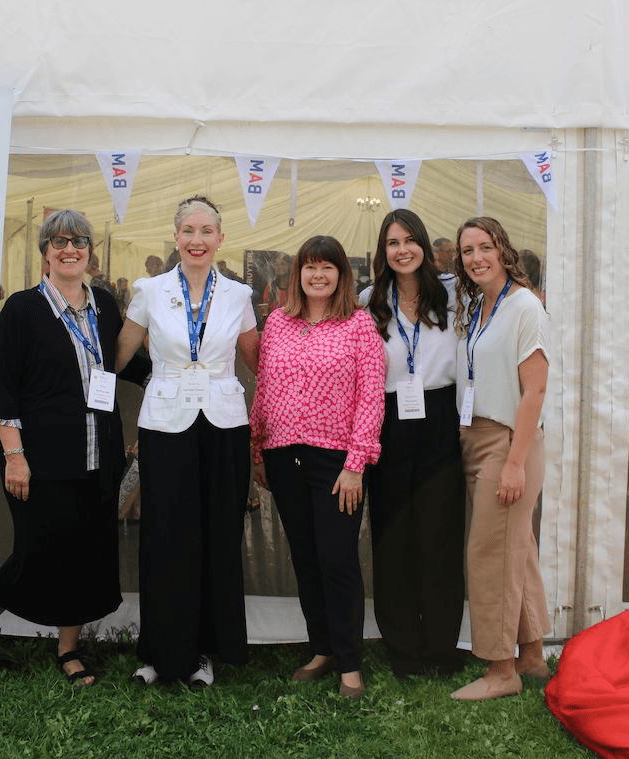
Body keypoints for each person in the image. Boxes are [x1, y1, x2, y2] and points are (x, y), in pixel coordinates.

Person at [0, 208, 146, 686]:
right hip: (40, 462)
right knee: (36, 552)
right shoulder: (22, 310)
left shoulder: (106, 305)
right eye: (59, 242)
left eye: (78, 241)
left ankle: (68, 649)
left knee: (88, 553)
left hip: (99, 457)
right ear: (45, 254)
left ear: (90, 252)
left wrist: (176, 376)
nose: (70, 248)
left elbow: (121, 364)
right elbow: (1, 389)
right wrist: (15, 456)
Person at [116, 195, 260, 687]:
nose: (197, 240)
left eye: (206, 231)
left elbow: (258, 362)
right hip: (165, 423)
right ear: (175, 236)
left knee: (216, 536)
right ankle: (160, 651)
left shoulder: (240, 295)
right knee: (164, 536)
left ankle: (204, 652)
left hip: (223, 423)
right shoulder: (149, 291)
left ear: (220, 238)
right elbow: (117, 356)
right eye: (188, 231)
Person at [250, 235, 385, 700]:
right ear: (298, 275)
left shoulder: (359, 326)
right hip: (284, 455)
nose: (318, 275)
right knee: (306, 560)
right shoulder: (278, 325)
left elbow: (371, 397)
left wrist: (356, 464)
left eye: (327, 267)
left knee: (338, 559)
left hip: (337, 462)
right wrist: (258, 449)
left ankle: (350, 663)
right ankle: (322, 650)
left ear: (341, 274)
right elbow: (264, 389)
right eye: (310, 267)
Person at [360, 209, 465, 678]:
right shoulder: (368, 300)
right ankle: (402, 649)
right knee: (393, 535)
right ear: (382, 252)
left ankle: (441, 647)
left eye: (409, 240)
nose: (402, 250)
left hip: (440, 418)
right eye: (392, 242)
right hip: (388, 422)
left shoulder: (453, 294)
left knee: (439, 534)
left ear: (423, 243)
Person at [450, 216, 551, 701]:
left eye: (484, 247)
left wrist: (514, 462)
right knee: (517, 549)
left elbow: (534, 390)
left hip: (509, 440)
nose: (476, 258)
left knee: (489, 553)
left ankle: (500, 668)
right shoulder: (476, 306)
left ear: (502, 249)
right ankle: (532, 657)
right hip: (476, 436)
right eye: (467, 251)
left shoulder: (524, 305)